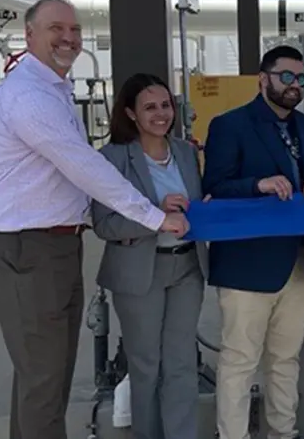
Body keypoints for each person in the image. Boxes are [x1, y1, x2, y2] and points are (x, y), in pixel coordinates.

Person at [0, 0, 186, 439]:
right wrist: (152, 217)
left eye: (74, 30)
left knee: (41, 374)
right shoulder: (30, 97)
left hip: (50, 245)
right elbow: (83, 166)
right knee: (44, 379)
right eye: (56, 29)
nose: (68, 38)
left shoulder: (52, 90)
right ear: (29, 34)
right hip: (27, 246)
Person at [202, 45, 304, 439]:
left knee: (286, 359)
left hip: (302, 261)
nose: (295, 86)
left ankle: (283, 432)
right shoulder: (230, 125)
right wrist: (256, 185)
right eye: (286, 77)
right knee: (240, 359)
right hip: (248, 264)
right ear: (263, 79)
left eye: (301, 79)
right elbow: (215, 188)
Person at [92, 73, 207, 439]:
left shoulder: (187, 153)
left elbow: (197, 208)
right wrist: (156, 215)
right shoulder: (111, 159)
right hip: (139, 270)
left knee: (182, 363)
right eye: (149, 107)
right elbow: (105, 225)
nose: (161, 114)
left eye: (165, 105)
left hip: (187, 266)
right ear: (130, 114)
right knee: (146, 365)